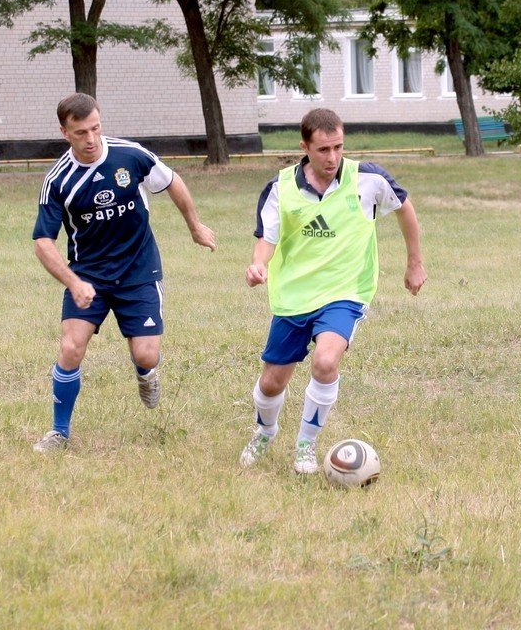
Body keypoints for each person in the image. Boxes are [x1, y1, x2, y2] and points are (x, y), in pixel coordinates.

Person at [240, 108, 427, 474]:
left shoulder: (368, 179)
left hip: (346, 291)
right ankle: (264, 432)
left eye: (338, 147)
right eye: (324, 149)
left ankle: (306, 446)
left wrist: (414, 263)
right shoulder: (281, 187)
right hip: (294, 296)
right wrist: (258, 264)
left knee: (325, 362)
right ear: (305, 147)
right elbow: (267, 238)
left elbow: (405, 210)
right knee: (271, 381)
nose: (332, 157)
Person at [31, 93, 216, 452]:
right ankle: (59, 432)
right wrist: (73, 281)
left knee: (146, 355)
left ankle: (146, 373)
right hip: (89, 274)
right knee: (70, 347)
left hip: (138, 268)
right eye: (81, 132)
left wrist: (194, 226)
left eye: (96, 128)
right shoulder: (58, 181)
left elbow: (172, 181)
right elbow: (43, 242)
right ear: (64, 133)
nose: (91, 139)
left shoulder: (129, 155)